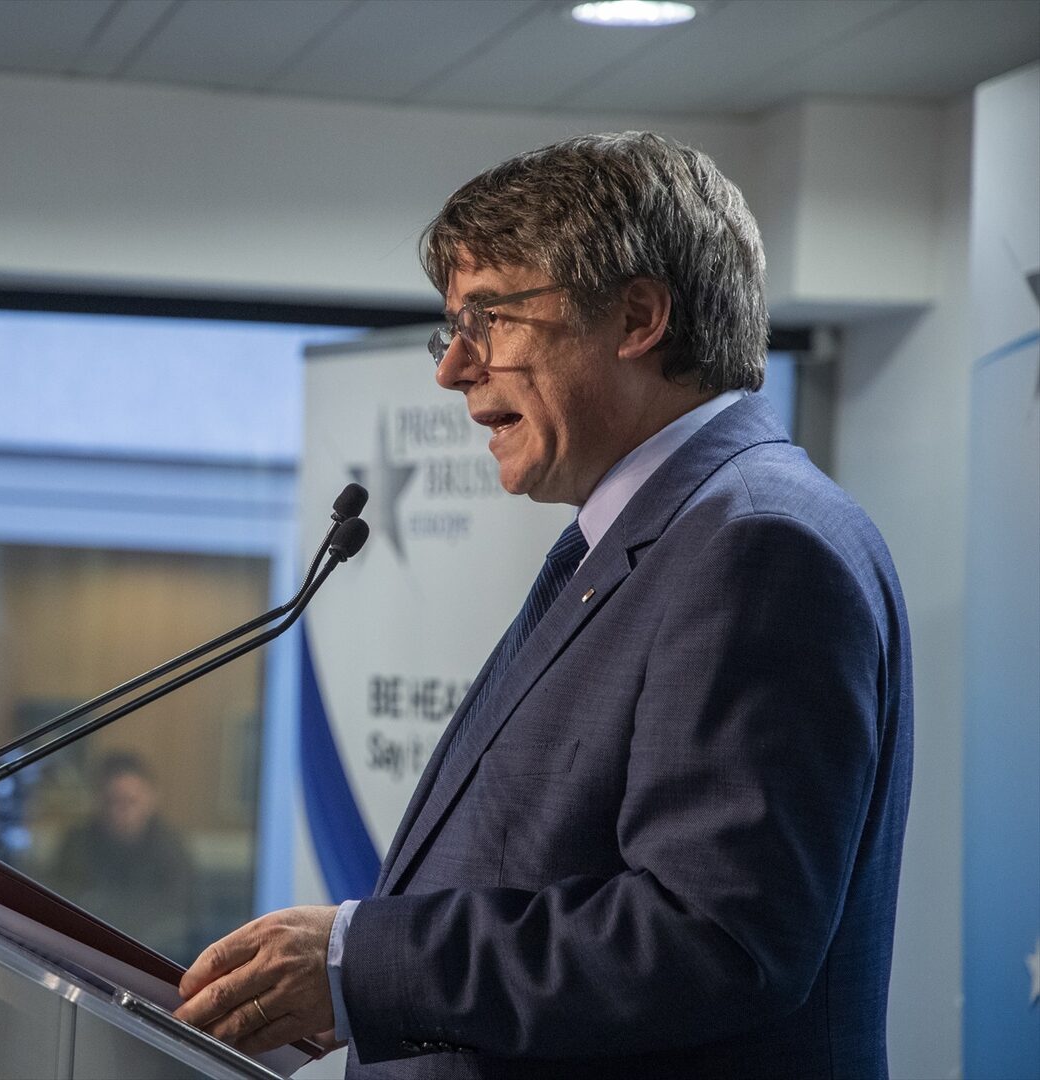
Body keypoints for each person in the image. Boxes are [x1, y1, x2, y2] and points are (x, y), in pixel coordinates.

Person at [175, 132, 912, 1079]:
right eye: (452, 328)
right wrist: (367, 992)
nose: (453, 368)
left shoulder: (758, 546)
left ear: (638, 316)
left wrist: (366, 968)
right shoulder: (646, 536)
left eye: (489, 317)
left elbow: (713, 938)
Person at [47, 751, 198, 962]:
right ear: (99, 801)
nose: (121, 812)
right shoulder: (77, 844)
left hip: (154, 956)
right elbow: (63, 905)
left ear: (151, 799)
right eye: (113, 802)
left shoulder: (171, 851)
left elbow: (176, 917)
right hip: (86, 953)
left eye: (131, 801)